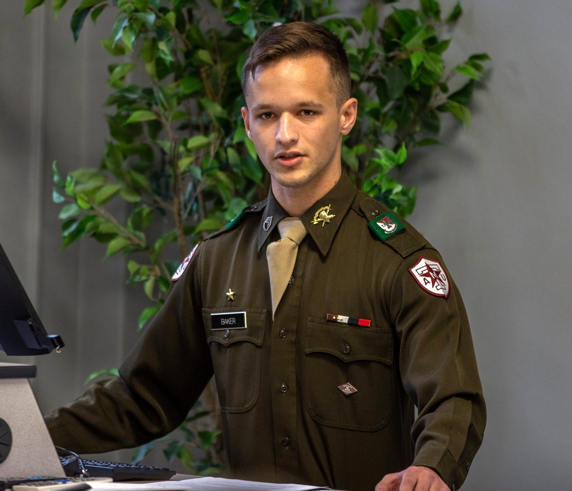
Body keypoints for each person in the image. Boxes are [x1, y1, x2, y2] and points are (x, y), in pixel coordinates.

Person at [45, 21, 485, 491]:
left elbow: (453, 400)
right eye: (268, 115)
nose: (285, 135)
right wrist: (21, 437)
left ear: (346, 116)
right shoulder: (216, 261)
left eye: (307, 112)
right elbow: (140, 397)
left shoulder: (398, 262)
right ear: (247, 124)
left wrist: (432, 467)